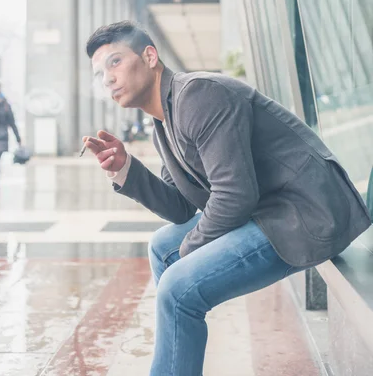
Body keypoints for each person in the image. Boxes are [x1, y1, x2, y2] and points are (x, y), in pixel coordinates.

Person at [83, 21, 371, 376]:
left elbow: (235, 196)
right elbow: (180, 206)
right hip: (270, 209)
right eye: (99, 73)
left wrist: (189, 257)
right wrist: (126, 168)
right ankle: (178, 354)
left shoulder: (199, 95)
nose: (107, 78)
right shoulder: (164, 122)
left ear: (150, 56)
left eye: (115, 62)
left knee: (177, 289)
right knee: (163, 247)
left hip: (307, 212)